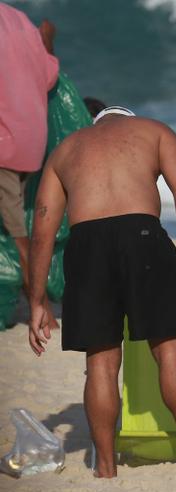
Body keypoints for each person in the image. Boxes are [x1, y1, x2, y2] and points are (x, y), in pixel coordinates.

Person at [27, 106, 176, 477]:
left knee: (100, 361)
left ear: (95, 125)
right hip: (142, 236)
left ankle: (105, 466)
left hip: (86, 244)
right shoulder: (154, 130)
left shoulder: (66, 149)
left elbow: (42, 228)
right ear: (128, 119)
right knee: (168, 348)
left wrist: (37, 300)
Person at [0, 4, 60, 328]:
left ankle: (44, 310)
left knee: (18, 234)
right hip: (31, 142)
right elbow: (49, 76)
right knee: (17, 226)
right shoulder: (21, 20)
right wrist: (48, 39)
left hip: (4, 146)